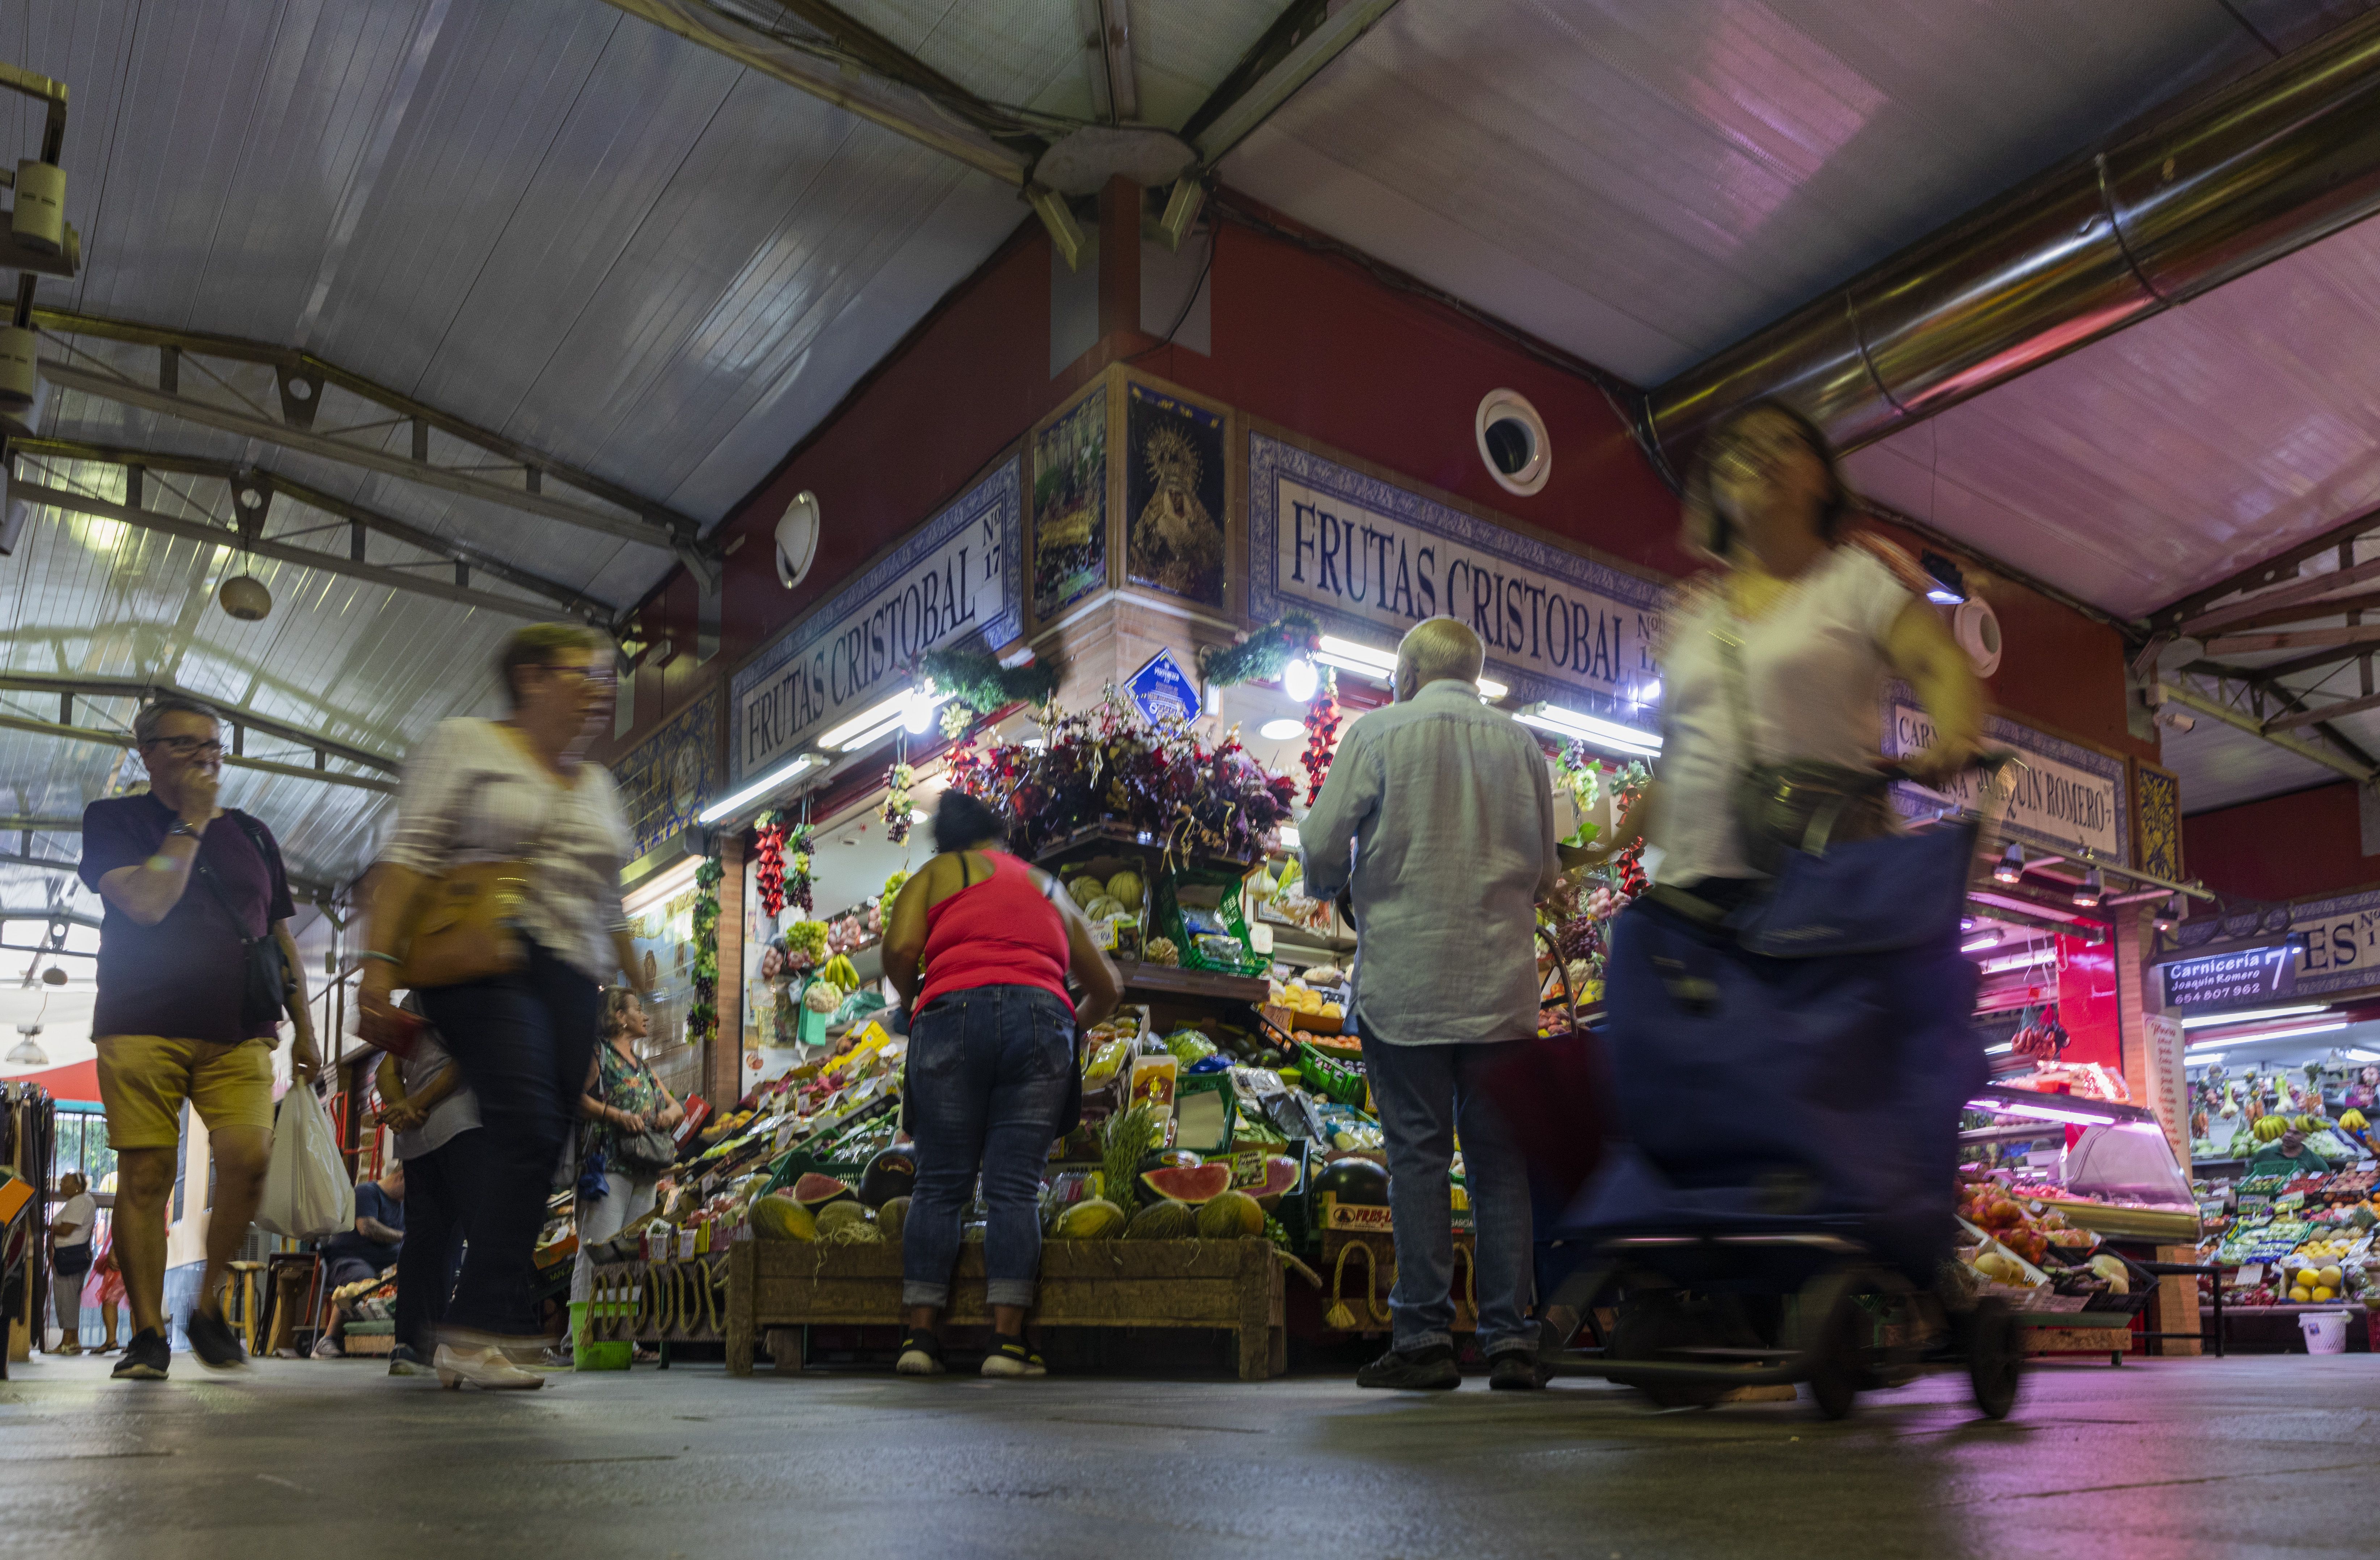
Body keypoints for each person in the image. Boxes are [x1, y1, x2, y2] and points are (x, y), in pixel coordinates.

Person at [357, 623, 649, 1391]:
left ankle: (477, 1321)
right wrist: (376, 972)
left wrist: (632, 974)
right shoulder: (465, 745)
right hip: (479, 959)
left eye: (602, 678)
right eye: (581, 674)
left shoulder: (595, 785)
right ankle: (478, 1323)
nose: (596, 690)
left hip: (566, 976)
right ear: (531, 677)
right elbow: (409, 856)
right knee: (522, 1115)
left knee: (541, 1136)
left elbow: (606, 898)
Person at [1300, 617, 1562, 1391]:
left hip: (1405, 986)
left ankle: (1420, 1341)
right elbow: (1545, 871)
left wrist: (1331, 890)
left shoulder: (1377, 733)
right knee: (1497, 1163)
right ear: (1473, 675)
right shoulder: (1520, 746)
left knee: (1415, 1154)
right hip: (1500, 988)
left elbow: (1318, 845)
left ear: (1405, 676)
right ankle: (1509, 1340)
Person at [1584, 399, 1984, 891]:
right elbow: (1675, 768)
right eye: (1735, 449)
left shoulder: (1855, 580)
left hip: (1813, 895)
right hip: (1689, 903)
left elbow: (1935, 662)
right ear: (1716, 488)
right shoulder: (1690, 615)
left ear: (1821, 478)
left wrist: (1956, 734)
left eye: (1782, 441)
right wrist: (1596, 852)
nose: (1757, 454)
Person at [77, 694, 319, 1379]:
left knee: (249, 1157)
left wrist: (304, 1028)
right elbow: (149, 904)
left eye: (214, 745)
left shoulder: (254, 834)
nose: (206, 756)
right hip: (140, 1023)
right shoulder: (117, 820)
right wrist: (187, 822)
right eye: (186, 745)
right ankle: (148, 1333)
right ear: (147, 752)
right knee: (147, 1172)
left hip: (240, 1029)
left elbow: (277, 935)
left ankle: (207, 1306)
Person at [881, 789, 1121, 1379]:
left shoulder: (936, 874)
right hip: (1041, 1021)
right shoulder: (1047, 885)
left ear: (946, 840)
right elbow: (1108, 987)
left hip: (949, 1019)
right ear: (999, 834)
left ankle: (919, 1339)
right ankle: (1007, 1345)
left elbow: (902, 948)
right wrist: (1068, 1021)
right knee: (1015, 1186)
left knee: (938, 1185)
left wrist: (914, 1001)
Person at [570, 988, 683, 1360]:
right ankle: (583, 1339)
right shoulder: (599, 1054)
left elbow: (676, 1106)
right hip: (607, 1170)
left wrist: (669, 1115)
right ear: (619, 1016)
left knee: (632, 1257)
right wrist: (616, 1116)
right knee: (598, 1253)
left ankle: (625, 1340)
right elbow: (574, 1099)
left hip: (644, 1170)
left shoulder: (644, 1066)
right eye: (638, 1010)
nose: (645, 1017)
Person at [374, 1014, 481, 1375]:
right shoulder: (466, 990)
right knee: (479, 1234)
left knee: (424, 1239)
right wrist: (414, 1103)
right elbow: (467, 1059)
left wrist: (404, 1105)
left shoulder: (411, 1001)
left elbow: (385, 1073)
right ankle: (470, 1343)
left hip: (417, 1139)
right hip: (461, 1127)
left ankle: (411, 1345)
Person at [313, 1162, 406, 1358]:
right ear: (401, 1177)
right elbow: (367, 1227)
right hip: (348, 1260)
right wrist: (404, 1237)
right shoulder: (367, 1192)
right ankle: (328, 1340)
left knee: (410, 1275)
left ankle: (403, 1340)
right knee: (363, 1280)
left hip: (383, 1267)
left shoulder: (403, 1205)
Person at [47, 1171, 97, 1354]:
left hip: (70, 1257)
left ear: (77, 1186)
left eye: (64, 1182)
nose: (61, 1186)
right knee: (70, 1300)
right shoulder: (83, 1201)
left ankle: (67, 1342)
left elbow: (67, 1230)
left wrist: (46, 1226)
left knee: (66, 1300)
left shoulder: (80, 1201)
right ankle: (73, 1341)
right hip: (73, 1256)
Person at [2250, 1124, 2330, 1178]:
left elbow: (2326, 1184)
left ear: (2305, 1137)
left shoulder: (2315, 1162)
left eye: (2296, 1133)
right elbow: (2245, 1179)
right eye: (2288, 1131)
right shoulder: (2265, 1154)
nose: (2289, 1136)